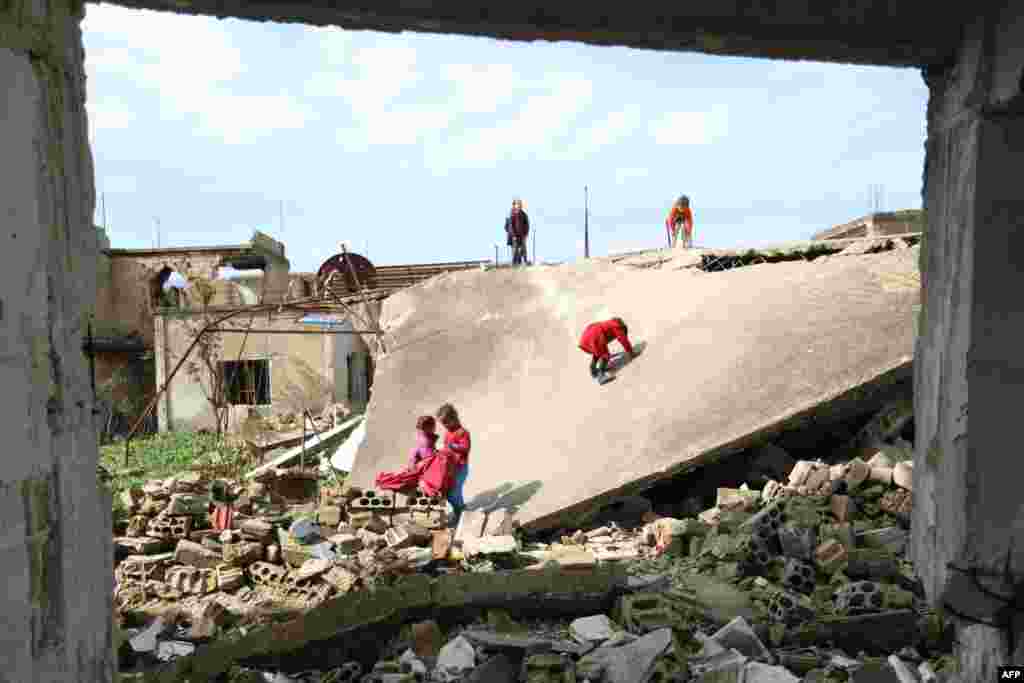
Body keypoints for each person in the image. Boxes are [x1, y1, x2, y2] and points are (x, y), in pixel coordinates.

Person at [437, 403, 471, 529]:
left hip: (460, 468)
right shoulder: (448, 433)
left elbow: (465, 448)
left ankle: (462, 512)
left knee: (454, 492)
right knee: (449, 493)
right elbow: (446, 448)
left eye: (446, 422)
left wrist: (453, 447)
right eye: (443, 424)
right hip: (450, 468)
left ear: (454, 418)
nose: (445, 426)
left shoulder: (462, 433)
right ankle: (459, 512)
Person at [579, 317, 634, 384]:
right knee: (605, 356)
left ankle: (593, 370)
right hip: (595, 336)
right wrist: (631, 352)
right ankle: (601, 376)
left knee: (598, 351)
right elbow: (623, 340)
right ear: (622, 327)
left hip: (585, 338)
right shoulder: (617, 326)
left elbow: (598, 349)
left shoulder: (608, 324)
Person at [504, 198, 530, 266]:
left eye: (520, 204)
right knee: (515, 250)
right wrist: (513, 235)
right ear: (514, 205)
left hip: (522, 235)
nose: (518, 205)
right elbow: (509, 226)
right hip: (513, 236)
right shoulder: (511, 214)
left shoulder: (524, 214)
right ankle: (514, 263)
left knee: (523, 249)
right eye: (517, 204)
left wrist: (526, 234)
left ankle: (524, 262)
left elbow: (527, 225)